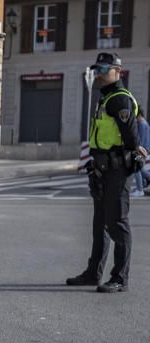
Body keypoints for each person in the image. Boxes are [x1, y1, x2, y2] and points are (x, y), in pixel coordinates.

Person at [66, 52, 147, 293]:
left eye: (103, 70)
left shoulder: (119, 100)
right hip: (102, 168)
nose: (99, 74)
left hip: (117, 171)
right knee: (100, 223)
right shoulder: (106, 98)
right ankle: (94, 273)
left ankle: (120, 277)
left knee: (117, 223)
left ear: (117, 71)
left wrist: (134, 154)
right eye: (97, 70)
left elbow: (132, 138)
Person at [132, 110, 150, 196]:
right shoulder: (144, 123)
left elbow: (141, 140)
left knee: (137, 168)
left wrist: (138, 151)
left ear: (138, 114)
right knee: (140, 169)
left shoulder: (142, 124)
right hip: (144, 150)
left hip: (142, 151)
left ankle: (140, 189)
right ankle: (141, 187)